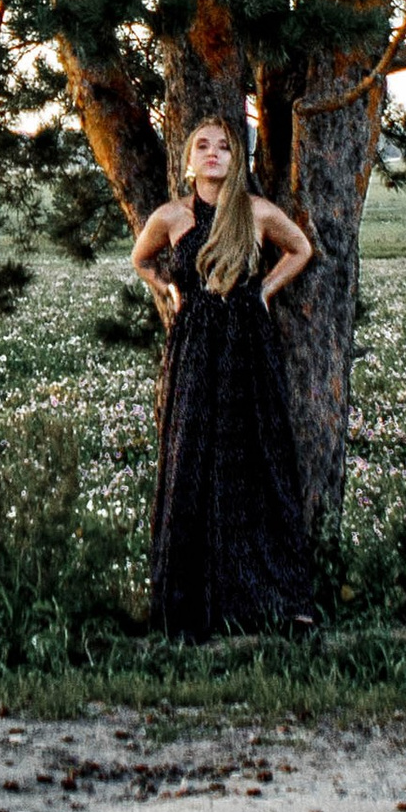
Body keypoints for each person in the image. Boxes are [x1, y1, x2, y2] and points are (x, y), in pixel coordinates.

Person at [131, 112, 318, 639]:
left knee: (259, 462)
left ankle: (275, 602)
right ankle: (190, 606)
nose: (213, 154)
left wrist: (263, 291)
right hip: (194, 348)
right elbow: (140, 258)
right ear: (188, 161)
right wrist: (167, 290)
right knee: (193, 458)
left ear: (235, 161)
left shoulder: (255, 211)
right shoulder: (170, 217)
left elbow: (300, 250)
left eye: (224, 148)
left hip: (247, 347)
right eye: (203, 147)